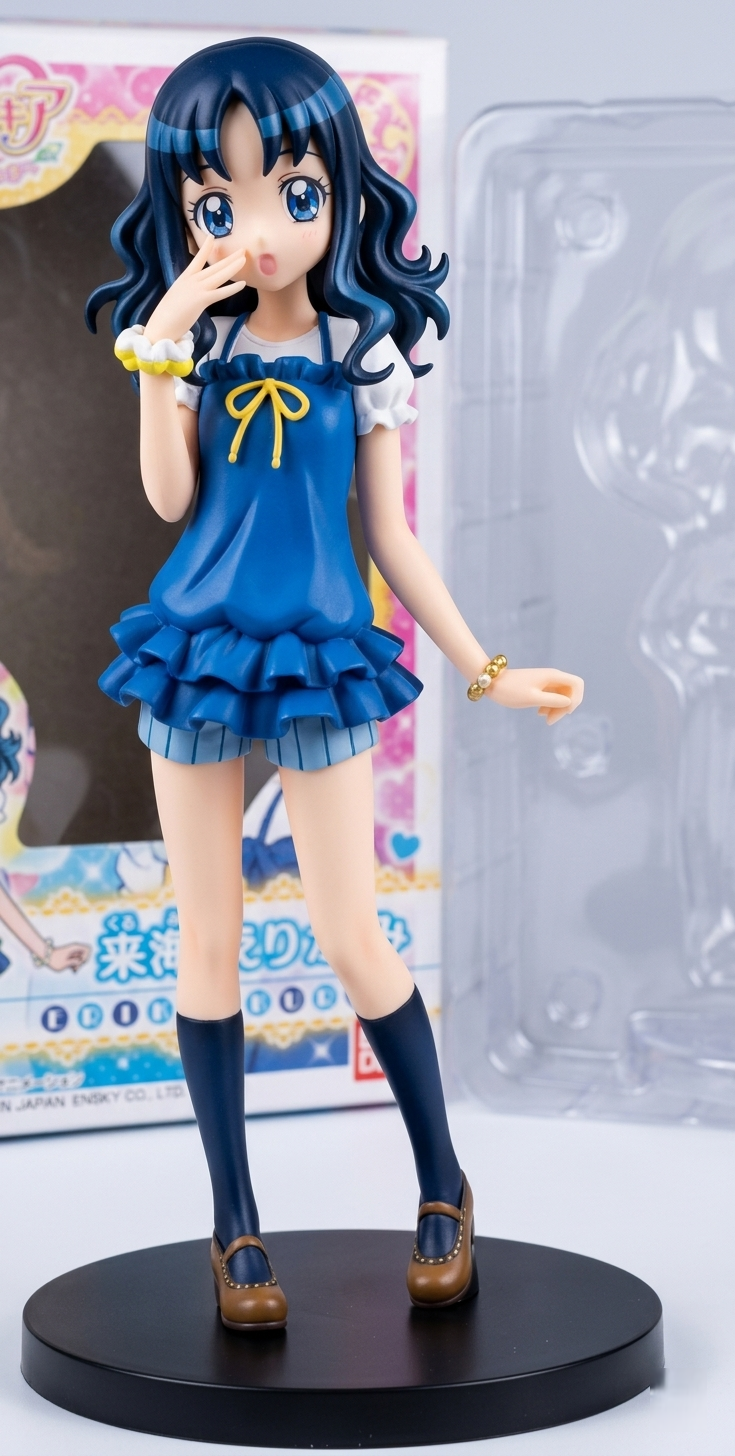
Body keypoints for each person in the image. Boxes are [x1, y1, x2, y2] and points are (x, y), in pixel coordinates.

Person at [86, 36, 583, 1332]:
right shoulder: (192, 348)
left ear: (339, 192)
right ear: (186, 212)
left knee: (351, 932)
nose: (257, 230)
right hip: (197, 648)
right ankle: (233, 1224)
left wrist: (482, 668)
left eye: (292, 193)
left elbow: (391, 536)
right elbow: (167, 501)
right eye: (219, 205)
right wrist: (163, 343)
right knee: (207, 943)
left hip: (318, 653)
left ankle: (442, 1182)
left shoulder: (363, 350)